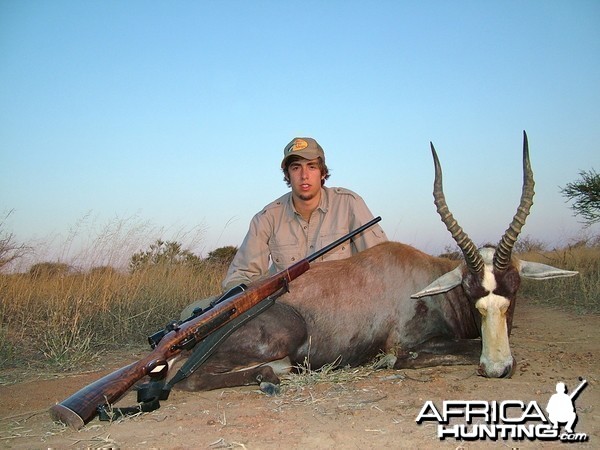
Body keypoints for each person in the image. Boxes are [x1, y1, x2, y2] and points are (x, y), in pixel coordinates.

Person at [181, 137, 387, 319]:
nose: (304, 175)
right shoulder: (267, 217)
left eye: (312, 167)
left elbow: (382, 264)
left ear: (323, 173)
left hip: (342, 309)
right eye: (296, 167)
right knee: (193, 312)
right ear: (287, 175)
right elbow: (240, 276)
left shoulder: (349, 203)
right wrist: (246, 300)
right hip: (287, 312)